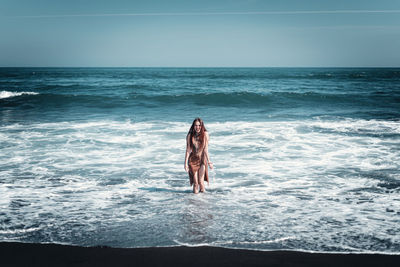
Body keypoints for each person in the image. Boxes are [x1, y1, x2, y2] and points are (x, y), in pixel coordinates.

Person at [184, 118, 213, 193]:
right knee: (196, 183)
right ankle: (194, 202)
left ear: (202, 126)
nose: (197, 127)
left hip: (202, 160)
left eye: (199, 125)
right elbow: (188, 150)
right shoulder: (190, 135)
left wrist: (209, 162)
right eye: (196, 125)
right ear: (193, 126)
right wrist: (185, 164)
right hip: (193, 161)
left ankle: (202, 202)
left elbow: (206, 149)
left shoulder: (205, 134)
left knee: (201, 182)